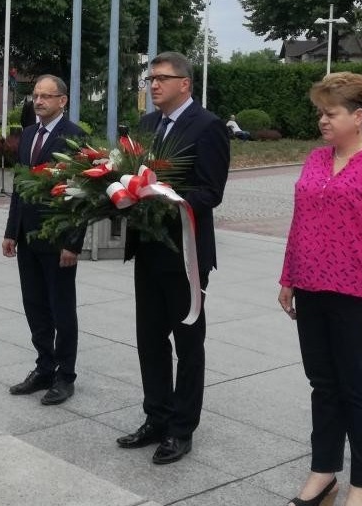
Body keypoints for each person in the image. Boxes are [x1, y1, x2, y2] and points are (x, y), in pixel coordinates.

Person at [278, 72, 362, 506]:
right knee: (322, 384)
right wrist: (288, 277)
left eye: (331, 113)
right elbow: (300, 222)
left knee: (359, 389)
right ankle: (324, 474)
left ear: (358, 116)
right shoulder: (316, 159)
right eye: (320, 112)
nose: (322, 120)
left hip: (358, 295)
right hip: (311, 288)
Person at [115, 51, 230, 465]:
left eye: (162, 78)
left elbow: (211, 191)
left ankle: (181, 429)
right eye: (151, 79)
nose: (154, 85)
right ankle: (156, 417)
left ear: (185, 84)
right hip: (148, 249)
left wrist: (165, 200)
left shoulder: (208, 126)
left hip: (185, 253)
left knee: (188, 343)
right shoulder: (147, 125)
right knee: (149, 339)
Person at [2, 75, 86, 405]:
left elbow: (81, 194)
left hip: (57, 240)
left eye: (46, 96)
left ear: (62, 101)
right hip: (28, 237)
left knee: (61, 309)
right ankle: (44, 368)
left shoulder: (74, 137)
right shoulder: (27, 134)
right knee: (35, 306)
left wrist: (73, 243)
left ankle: (65, 376)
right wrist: (12, 231)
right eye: (35, 95)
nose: (38, 101)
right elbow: (19, 187)